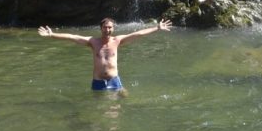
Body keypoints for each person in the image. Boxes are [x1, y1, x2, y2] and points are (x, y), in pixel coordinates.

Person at [38, 17, 172, 91]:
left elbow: (138, 34)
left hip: (114, 81)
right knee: (98, 110)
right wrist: (52, 35)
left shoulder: (118, 41)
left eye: (110, 27)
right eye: (105, 27)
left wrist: (157, 28)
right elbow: (72, 37)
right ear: (101, 28)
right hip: (97, 82)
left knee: (119, 106)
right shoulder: (92, 42)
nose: (107, 29)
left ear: (113, 29)